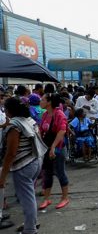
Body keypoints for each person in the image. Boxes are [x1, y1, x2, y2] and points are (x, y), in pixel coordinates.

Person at [0, 97, 43, 233]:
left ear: (9, 110)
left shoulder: (14, 125)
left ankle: (30, 230)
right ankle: (31, 223)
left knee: (26, 200)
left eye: (5, 108)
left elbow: (11, 152)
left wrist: (3, 175)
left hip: (23, 165)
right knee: (30, 197)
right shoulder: (29, 120)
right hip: (35, 161)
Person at [39, 93, 70, 210]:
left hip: (57, 148)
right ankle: (47, 198)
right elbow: (41, 130)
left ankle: (65, 197)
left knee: (60, 172)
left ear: (49, 102)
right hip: (46, 148)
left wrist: (53, 147)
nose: (40, 102)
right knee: (47, 173)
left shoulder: (59, 114)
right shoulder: (45, 114)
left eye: (42, 100)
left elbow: (62, 131)